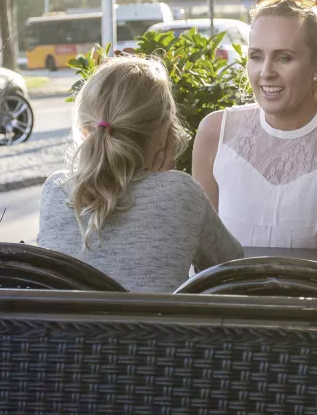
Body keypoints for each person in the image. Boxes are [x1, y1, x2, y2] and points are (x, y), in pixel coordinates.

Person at [192, 0, 317, 255]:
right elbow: (204, 256)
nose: (266, 72)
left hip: (307, 296)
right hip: (223, 297)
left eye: (284, 58)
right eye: (257, 56)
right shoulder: (215, 132)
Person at [38, 57, 243, 293]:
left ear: (86, 131)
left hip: (65, 330)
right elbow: (232, 268)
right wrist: (163, 184)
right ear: (165, 132)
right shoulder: (180, 193)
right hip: (152, 330)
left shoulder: (55, 189)